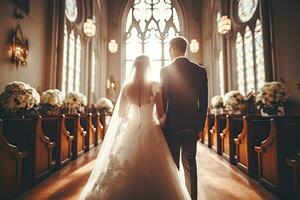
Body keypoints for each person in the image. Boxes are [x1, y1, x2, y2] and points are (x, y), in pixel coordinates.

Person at [79, 55, 191, 200]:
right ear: (148, 67)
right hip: (152, 129)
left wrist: (132, 121)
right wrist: (163, 123)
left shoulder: (127, 88)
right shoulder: (155, 85)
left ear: (135, 67)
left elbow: (121, 115)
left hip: (131, 130)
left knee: (125, 162)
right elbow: (161, 114)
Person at [160, 36, 208, 200]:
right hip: (192, 124)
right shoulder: (200, 71)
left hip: (172, 124)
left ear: (173, 49)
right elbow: (204, 101)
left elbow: (163, 99)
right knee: (190, 164)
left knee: (173, 165)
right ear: (185, 49)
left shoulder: (165, 70)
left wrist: (161, 121)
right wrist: (201, 126)